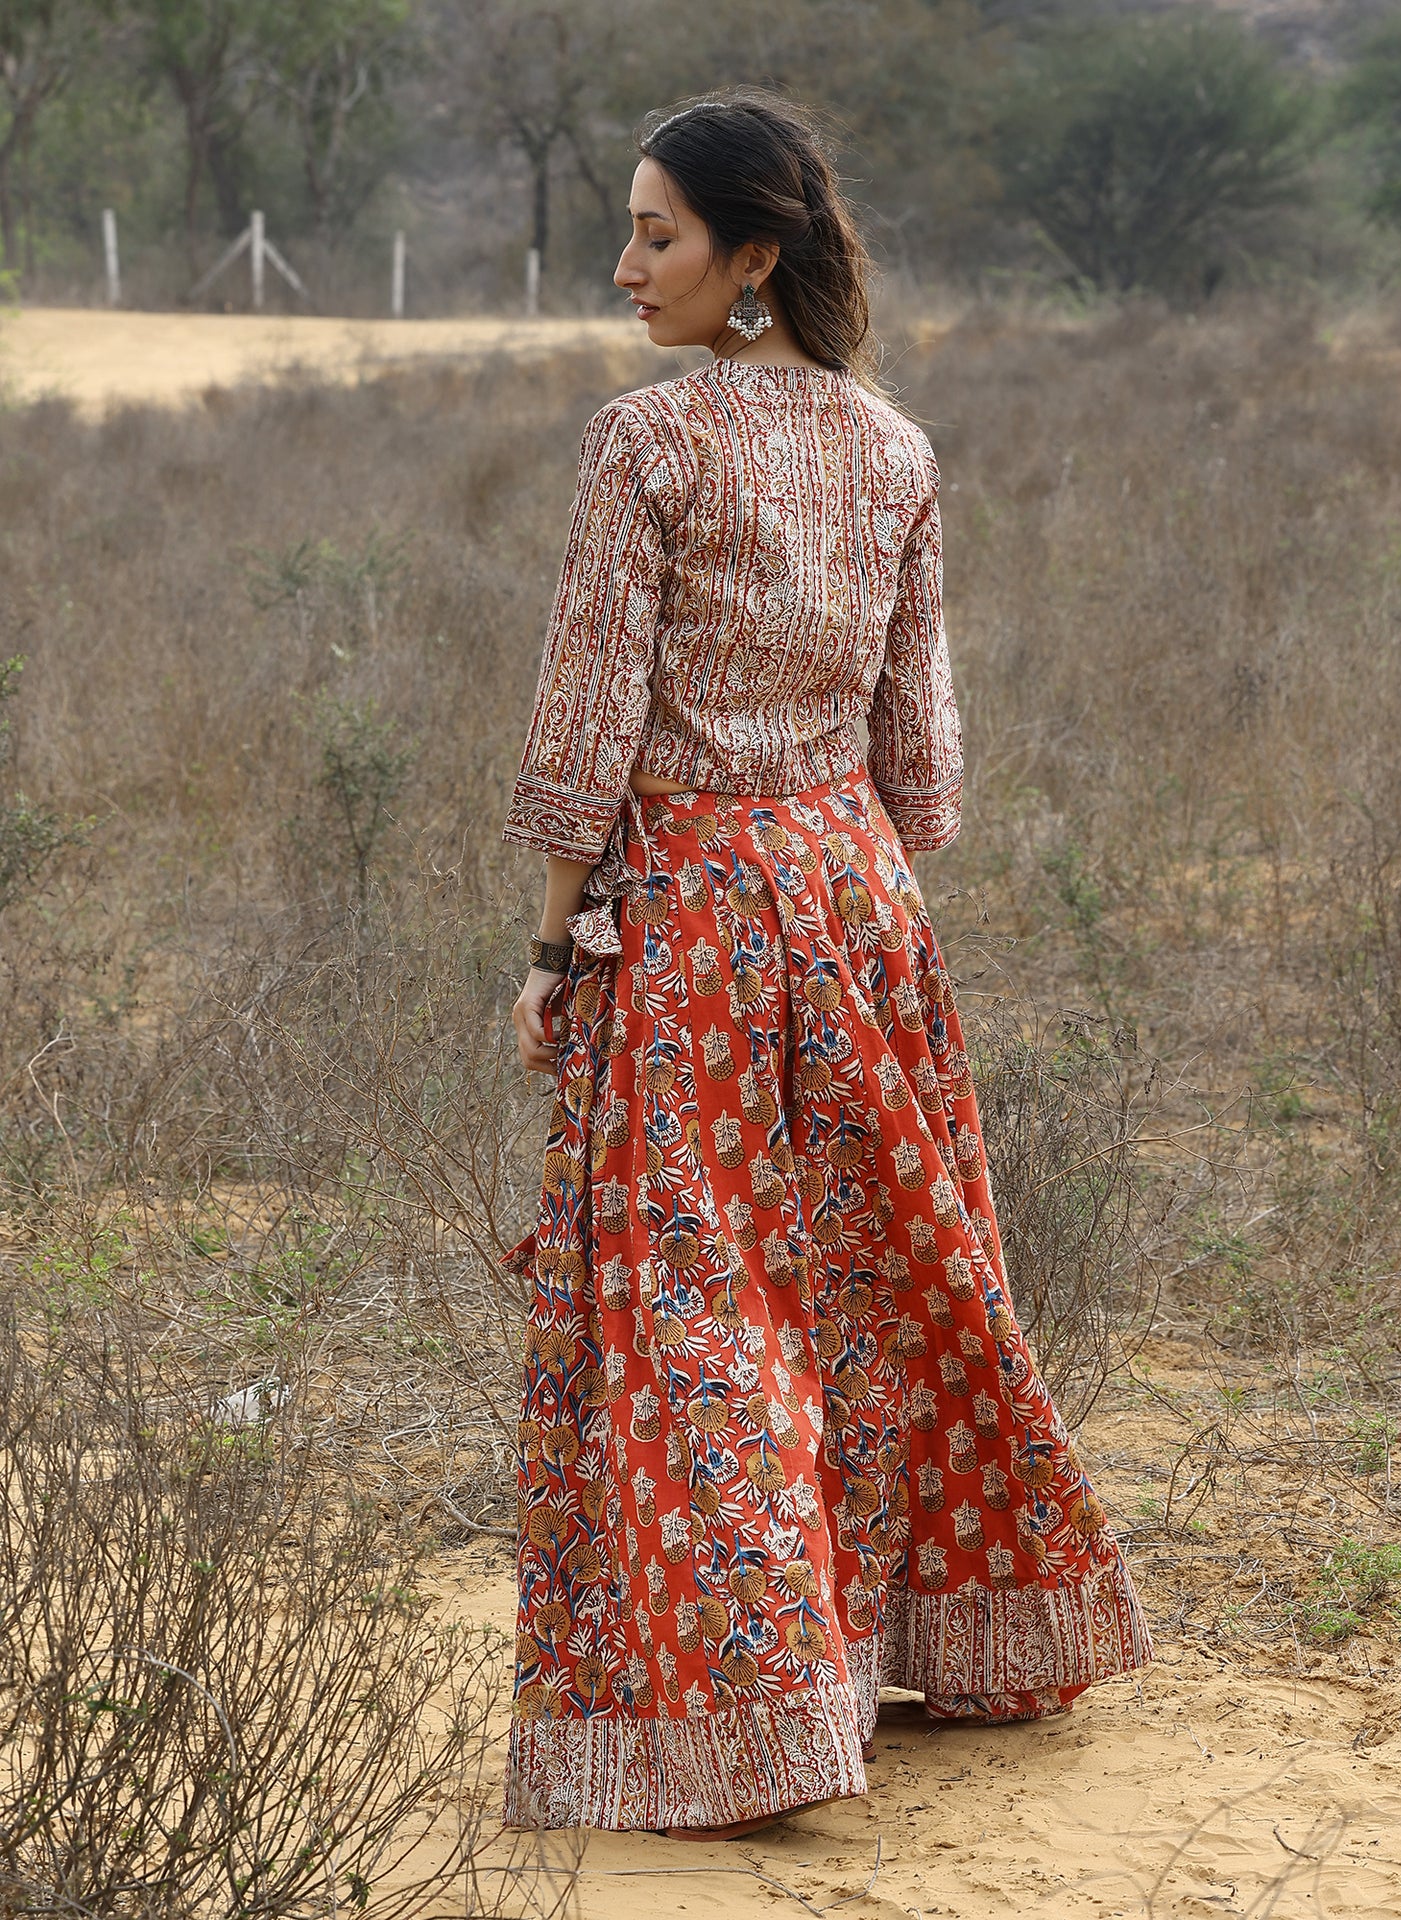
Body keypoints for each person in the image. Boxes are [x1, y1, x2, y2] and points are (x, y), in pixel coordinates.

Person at [501, 89, 1151, 1838]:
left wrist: (556, 940)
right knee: (887, 1275)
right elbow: (921, 768)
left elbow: (586, 721)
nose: (626, 266)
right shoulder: (898, 450)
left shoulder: (642, 446)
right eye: (630, 230)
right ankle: (917, 1636)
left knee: (703, 1304)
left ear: (755, 259)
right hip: (857, 903)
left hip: (700, 921)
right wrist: (829, 846)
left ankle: (761, 1708)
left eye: (658, 234)